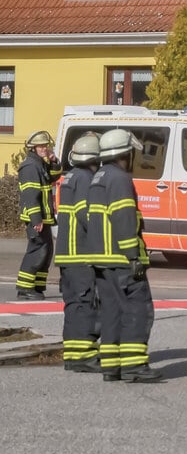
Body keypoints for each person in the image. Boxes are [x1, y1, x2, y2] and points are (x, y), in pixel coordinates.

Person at [87, 129, 162, 383]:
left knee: (111, 312)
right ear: (124, 153)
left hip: (102, 259)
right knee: (137, 310)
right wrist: (133, 256)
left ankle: (112, 366)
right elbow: (124, 217)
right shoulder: (120, 179)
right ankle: (134, 366)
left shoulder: (99, 177)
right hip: (121, 259)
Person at [54, 133, 101, 373]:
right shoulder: (85, 178)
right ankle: (84, 357)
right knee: (84, 305)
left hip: (65, 254)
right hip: (80, 253)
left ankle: (72, 356)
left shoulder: (70, 176)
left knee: (73, 305)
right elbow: (87, 214)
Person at [16, 130, 62, 300]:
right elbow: (30, 195)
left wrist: (54, 161)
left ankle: (36, 286)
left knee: (46, 251)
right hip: (36, 218)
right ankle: (25, 289)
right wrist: (36, 219)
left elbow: (53, 177)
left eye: (45, 145)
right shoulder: (30, 166)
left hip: (44, 217)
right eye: (41, 146)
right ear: (33, 148)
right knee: (37, 251)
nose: (44, 148)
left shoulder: (40, 164)